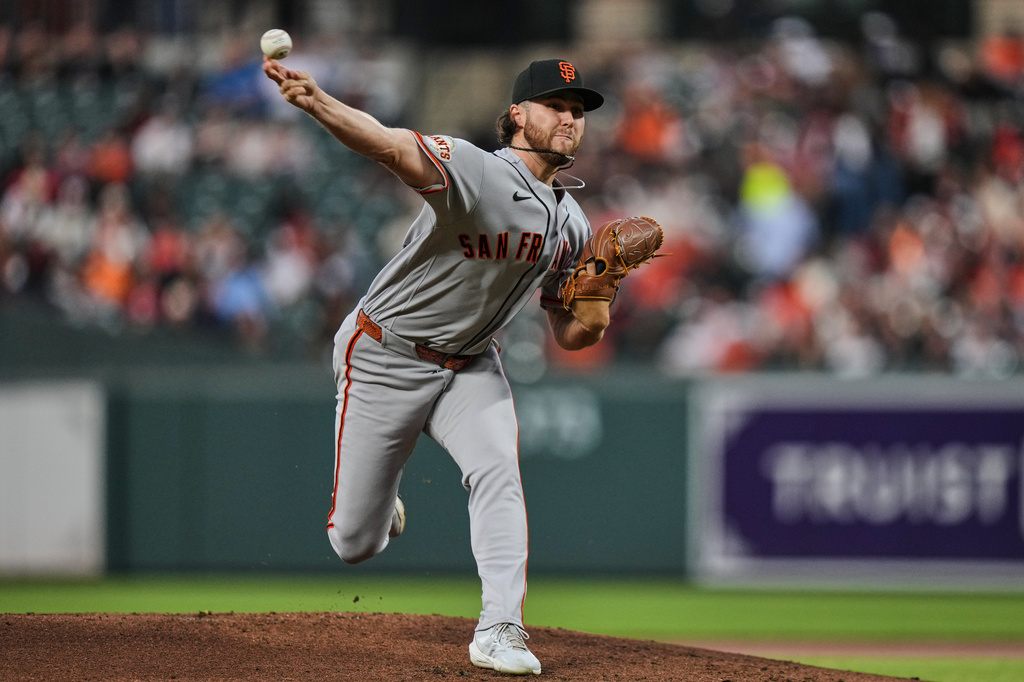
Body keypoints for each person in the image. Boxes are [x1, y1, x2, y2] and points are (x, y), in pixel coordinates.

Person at [263, 55, 611, 675]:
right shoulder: (477, 169)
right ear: (516, 115)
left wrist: (600, 299)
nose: (569, 118)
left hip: (471, 365)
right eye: (555, 105)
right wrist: (318, 101)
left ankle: (500, 628)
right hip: (386, 354)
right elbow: (391, 146)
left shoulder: (573, 225)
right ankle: (381, 503)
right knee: (354, 543)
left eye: (578, 111)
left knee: (499, 468)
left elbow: (570, 334)